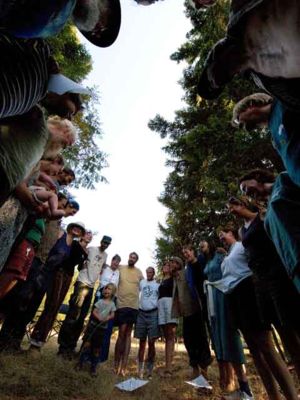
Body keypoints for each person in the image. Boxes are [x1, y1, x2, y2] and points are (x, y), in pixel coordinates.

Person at [217, 223, 298, 400]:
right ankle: (273, 396)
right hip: (234, 298)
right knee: (254, 350)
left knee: (266, 346)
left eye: (223, 234)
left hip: (249, 293)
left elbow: (255, 263)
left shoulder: (241, 246)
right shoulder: (228, 254)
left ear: (232, 233)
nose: (221, 238)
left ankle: (292, 395)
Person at [228, 195, 300, 380]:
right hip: (260, 283)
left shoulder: (262, 218)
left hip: (277, 276)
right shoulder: (241, 231)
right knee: (282, 333)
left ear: (242, 204)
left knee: (291, 328)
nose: (231, 210)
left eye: (233, 206)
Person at [198, 240, 251, 396]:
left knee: (229, 335)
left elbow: (229, 269)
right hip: (212, 300)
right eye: (200, 245)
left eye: (203, 243)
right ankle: (229, 383)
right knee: (219, 338)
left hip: (223, 296)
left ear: (210, 244)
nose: (201, 245)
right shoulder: (206, 261)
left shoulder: (220, 255)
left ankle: (244, 385)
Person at [239, 169, 300, 293]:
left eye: (245, 187)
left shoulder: (284, 179)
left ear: (256, 177)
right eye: (243, 192)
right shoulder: (266, 218)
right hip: (294, 268)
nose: (246, 193)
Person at [29, 222, 87, 350]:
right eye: (75, 227)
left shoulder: (77, 246)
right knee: (44, 302)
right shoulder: (61, 235)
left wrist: (85, 256)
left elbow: (80, 265)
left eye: (80, 229)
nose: (77, 229)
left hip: (66, 277)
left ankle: (39, 341)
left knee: (54, 307)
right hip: (53, 272)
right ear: (71, 228)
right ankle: (29, 338)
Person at [57, 235, 112, 357]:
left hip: (91, 287)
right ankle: (62, 347)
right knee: (73, 314)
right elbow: (80, 258)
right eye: (104, 242)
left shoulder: (106, 255)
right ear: (101, 241)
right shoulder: (91, 249)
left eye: (107, 244)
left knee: (82, 317)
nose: (105, 245)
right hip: (82, 283)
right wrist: (82, 263)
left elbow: (102, 266)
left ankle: (71, 346)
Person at [171, 255, 212, 379]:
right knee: (189, 341)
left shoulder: (186, 272)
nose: (170, 264)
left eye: (173, 262)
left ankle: (204, 371)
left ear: (179, 264)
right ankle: (194, 368)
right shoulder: (175, 278)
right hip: (186, 314)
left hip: (195, 310)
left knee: (201, 340)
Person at [0, 218, 45, 299]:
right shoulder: (39, 212)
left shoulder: (45, 219)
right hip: (24, 243)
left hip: (32, 248)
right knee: (12, 272)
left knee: (19, 277)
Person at [77, 283, 117, 376]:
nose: (107, 290)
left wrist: (107, 318)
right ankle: (80, 363)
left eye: (109, 289)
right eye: (106, 288)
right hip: (93, 326)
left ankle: (93, 368)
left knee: (97, 348)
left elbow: (113, 314)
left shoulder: (112, 304)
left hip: (102, 330)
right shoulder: (100, 301)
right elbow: (94, 311)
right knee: (87, 345)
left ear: (113, 292)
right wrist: (98, 317)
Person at [114, 252, 143, 376]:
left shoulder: (139, 272)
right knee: (121, 332)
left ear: (136, 260)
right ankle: (116, 364)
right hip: (121, 305)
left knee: (128, 335)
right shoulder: (121, 268)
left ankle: (123, 367)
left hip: (133, 306)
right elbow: (111, 268)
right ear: (128, 257)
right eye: (131, 256)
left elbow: (145, 286)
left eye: (134, 258)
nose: (132, 259)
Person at [93, 254, 121, 363]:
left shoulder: (119, 272)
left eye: (118, 262)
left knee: (107, 328)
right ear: (112, 260)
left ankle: (102, 356)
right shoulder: (104, 268)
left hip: (112, 299)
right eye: (114, 261)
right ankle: (88, 352)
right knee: (95, 323)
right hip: (100, 296)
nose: (116, 263)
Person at [134, 266, 160, 379]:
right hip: (141, 313)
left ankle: (149, 370)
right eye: (147, 272)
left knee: (151, 342)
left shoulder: (157, 284)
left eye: (151, 272)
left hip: (153, 313)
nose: (149, 273)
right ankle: (140, 370)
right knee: (142, 342)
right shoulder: (142, 283)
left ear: (153, 273)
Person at [157, 260, 178, 377]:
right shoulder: (160, 281)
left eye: (168, 265)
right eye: (164, 264)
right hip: (161, 306)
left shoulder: (174, 278)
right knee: (166, 336)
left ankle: (169, 369)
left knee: (171, 335)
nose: (165, 266)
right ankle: (167, 367)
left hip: (170, 305)